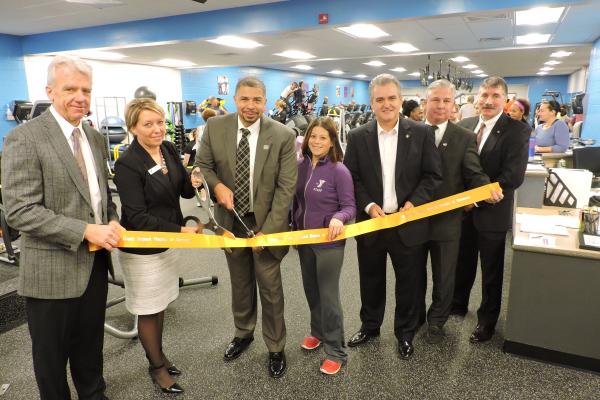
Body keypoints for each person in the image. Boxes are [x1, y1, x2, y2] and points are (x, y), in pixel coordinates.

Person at [1, 55, 122, 400]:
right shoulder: (25, 138)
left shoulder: (94, 138)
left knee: (90, 352)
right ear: (50, 91)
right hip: (51, 272)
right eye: (70, 88)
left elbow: (99, 197)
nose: (80, 96)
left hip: (95, 267)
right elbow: (21, 212)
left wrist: (111, 219)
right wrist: (85, 231)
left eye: (86, 89)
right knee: (52, 363)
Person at [194, 76, 297, 378]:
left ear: (265, 101)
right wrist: (217, 186)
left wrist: (270, 229)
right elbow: (204, 164)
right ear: (235, 99)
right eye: (245, 99)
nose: (250, 106)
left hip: (264, 222)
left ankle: (276, 346)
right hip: (230, 222)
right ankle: (243, 333)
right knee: (239, 282)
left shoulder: (283, 135)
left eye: (257, 100)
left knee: (270, 286)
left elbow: (286, 187)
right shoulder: (215, 127)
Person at [343, 73, 442, 359]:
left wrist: (414, 203)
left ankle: (405, 333)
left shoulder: (422, 133)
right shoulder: (358, 136)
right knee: (370, 278)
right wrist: (368, 205)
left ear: (400, 100)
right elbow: (353, 178)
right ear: (371, 103)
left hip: (407, 223)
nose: (386, 104)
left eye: (391, 98)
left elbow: (432, 176)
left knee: (408, 282)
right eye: (379, 99)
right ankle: (370, 326)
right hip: (372, 223)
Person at [114, 98, 197, 394]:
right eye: (148, 124)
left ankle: (158, 355)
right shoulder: (127, 163)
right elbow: (136, 217)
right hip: (143, 247)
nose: (157, 129)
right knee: (148, 309)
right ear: (133, 127)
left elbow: (182, 188)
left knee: (160, 303)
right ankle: (157, 368)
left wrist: (195, 179)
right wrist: (179, 232)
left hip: (168, 241)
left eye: (160, 122)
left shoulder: (168, 149)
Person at [418, 79, 500, 344]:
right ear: (425, 102)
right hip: (413, 220)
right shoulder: (410, 132)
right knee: (412, 275)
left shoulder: (464, 137)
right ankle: (413, 318)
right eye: (435, 100)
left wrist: (486, 188)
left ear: (453, 104)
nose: (440, 105)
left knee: (444, 277)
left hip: (447, 221)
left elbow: (473, 172)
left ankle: (437, 322)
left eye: (446, 101)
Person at [451, 76, 530, 343]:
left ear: (505, 100)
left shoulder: (517, 131)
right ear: (476, 99)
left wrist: (476, 198)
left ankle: (487, 321)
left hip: (492, 213)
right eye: (483, 95)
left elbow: (513, 176)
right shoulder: (464, 125)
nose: (487, 100)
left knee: (491, 270)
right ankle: (458, 303)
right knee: (462, 261)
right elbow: (456, 169)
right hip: (462, 213)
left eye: (495, 96)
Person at [292, 117, 355, 375]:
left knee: (328, 295)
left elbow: (349, 206)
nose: (316, 142)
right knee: (311, 289)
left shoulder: (339, 170)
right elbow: (295, 202)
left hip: (329, 243)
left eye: (323, 138)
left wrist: (339, 218)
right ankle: (317, 332)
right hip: (304, 240)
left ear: (332, 142)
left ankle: (336, 351)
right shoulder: (300, 166)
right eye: (313, 136)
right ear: (306, 139)